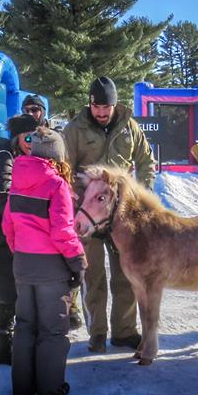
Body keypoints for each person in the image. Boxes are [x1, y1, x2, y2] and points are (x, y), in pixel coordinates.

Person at [62, 76, 155, 352]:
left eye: (106, 107)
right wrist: (73, 200)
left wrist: (142, 191)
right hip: (89, 215)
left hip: (120, 214)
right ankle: (98, 333)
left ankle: (124, 331)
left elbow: (146, 160)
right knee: (93, 276)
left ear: (115, 104)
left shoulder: (130, 126)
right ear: (90, 104)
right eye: (96, 107)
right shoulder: (75, 129)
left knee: (125, 274)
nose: (101, 113)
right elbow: (64, 167)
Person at [1, 127, 86, 395]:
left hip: (23, 264)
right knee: (52, 329)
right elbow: (63, 231)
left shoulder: (16, 181)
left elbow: (8, 226)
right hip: (51, 267)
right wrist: (77, 261)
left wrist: (20, 253)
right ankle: (50, 390)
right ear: (56, 155)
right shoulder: (56, 185)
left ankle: (22, 387)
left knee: (25, 325)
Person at [0, 113, 39, 365]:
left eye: (36, 137)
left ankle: (17, 344)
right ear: (16, 136)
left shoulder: (25, 155)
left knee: (19, 291)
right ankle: (4, 350)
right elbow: (1, 196)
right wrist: (26, 217)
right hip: (3, 235)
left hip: (19, 232)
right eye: (28, 137)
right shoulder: (5, 157)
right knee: (7, 295)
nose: (32, 142)